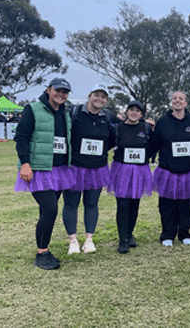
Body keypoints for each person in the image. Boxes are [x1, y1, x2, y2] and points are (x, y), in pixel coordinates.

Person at [14, 77, 74, 270]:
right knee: (50, 209)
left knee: (46, 210)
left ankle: (43, 247)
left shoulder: (66, 114)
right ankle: (42, 253)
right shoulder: (33, 109)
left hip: (59, 170)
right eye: (58, 90)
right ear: (49, 90)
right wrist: (25, 163)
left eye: (65, 92)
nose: (61, 94)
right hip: (38, 169)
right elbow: (22, 137)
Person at [62, 84, 115, 255]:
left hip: (97, 169)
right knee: (71, 203)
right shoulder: (74, 112)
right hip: (75, 167)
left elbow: (117, 134)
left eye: (103, 97)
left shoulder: (107, 117)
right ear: (89, 95)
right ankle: (73, 241)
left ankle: (89, 240)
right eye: (97, 95)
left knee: (92, 204)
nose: (100, 99)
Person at [151, 91, 190, 247]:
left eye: (181, 99)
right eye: (174, 98)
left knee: (187, 204)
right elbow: (154, 145)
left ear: (186, 103)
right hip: (168, 171)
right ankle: (167, 234)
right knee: (167, 205)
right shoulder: (162, 121)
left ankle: (184, 233)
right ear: (171, 102)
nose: (177, 101)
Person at [107, 101, 153, 254]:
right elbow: (107, 144)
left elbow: (152, 147)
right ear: (126, 112)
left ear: (141, 114)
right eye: (131, 110)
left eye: (138, 111)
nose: (134, 113)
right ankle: (122, 239)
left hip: (140, 170)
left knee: (135, 203)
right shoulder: (118, 128)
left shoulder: (145, 128)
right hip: (122, 169)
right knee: (123, 204)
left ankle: (130, 234)